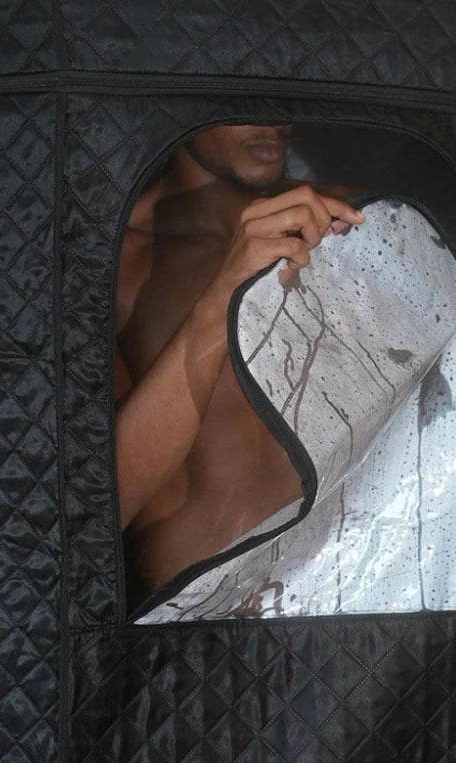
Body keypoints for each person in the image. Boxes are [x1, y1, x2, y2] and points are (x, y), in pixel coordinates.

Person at [115, 124, 365, 593]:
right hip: (205, 617)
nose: (270, 117)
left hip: (365, 584)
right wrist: (222, 300)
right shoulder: (112, 260)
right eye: (240, 96)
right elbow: (91, 508)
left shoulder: (355, 218)